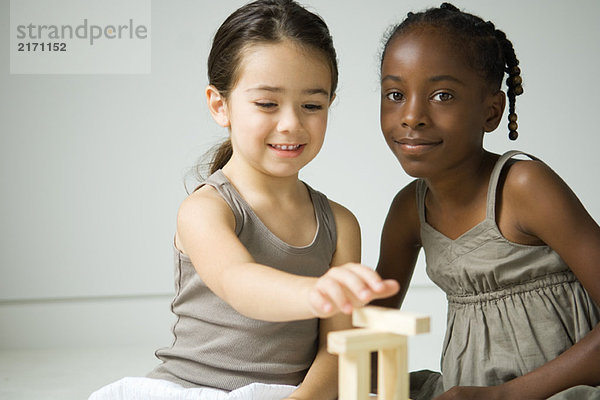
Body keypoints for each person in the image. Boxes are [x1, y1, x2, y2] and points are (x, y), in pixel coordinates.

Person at [89, 1, 399, 399]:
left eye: (311, 105)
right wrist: (316, 293)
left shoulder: (341, 224)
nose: (291, 123)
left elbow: (337, 350)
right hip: (197, 389)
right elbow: (240, 284)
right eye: (267, 103)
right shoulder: (206, 209)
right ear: (221, 106)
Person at [373, 3, 600, 400]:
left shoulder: (523, 187)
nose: (412, 116)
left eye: (442, 95)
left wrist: (505, 396)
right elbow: (370, 330)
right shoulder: (408, 210)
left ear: (491, 112)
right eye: (395, 94)